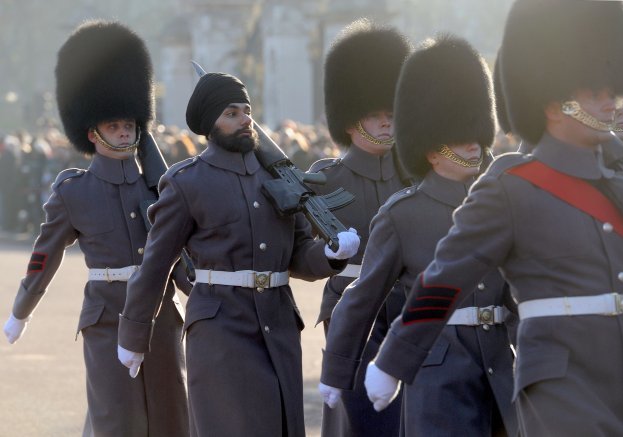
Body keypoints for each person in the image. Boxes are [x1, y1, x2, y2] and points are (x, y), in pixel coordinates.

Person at [365, 1, 623, 435]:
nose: (609, 102)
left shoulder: (618, 184)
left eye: (611, 91)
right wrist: (395, 358)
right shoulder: (511, 185)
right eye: (594, 93)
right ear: (553, 102)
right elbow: (446, 276)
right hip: (562, 386)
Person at [116, 71, 360, 437]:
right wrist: (133, 334)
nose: (245, 119)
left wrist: (330, 254)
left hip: (277, 324)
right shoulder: (187, 182)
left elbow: (297, 256)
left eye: (246, 111)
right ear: (208, 124)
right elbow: (155, 265)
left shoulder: (277, 177)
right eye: (231, 113)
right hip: (221, 331)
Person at [320, 34, 518, 437]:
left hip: (499, 364)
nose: (473, 143)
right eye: (460, 136)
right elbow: (362, 298)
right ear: (431, 149)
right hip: (437, 367)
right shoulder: (403, 215)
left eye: (475, 133)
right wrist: (337, 370)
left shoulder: (502, 204)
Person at [2, 20, 190, 436]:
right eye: (113, 127)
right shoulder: (75, 190)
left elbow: (181, 252)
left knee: (171, 415)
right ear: (92, 132)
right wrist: (21, 309)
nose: (124, 132)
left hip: (160, 314)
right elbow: (43, 256)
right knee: (116, 419)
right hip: (107, 316)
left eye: (129, 125)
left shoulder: (159, 186)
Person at [307, 19, 412, 436]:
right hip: (350, 312)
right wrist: (328, 256)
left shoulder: (414, 177)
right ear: (351, 120)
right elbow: (297, 253)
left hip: (407, 305)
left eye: (392, 114)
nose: (387, 124)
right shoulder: (323, 180)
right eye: (375, 115)